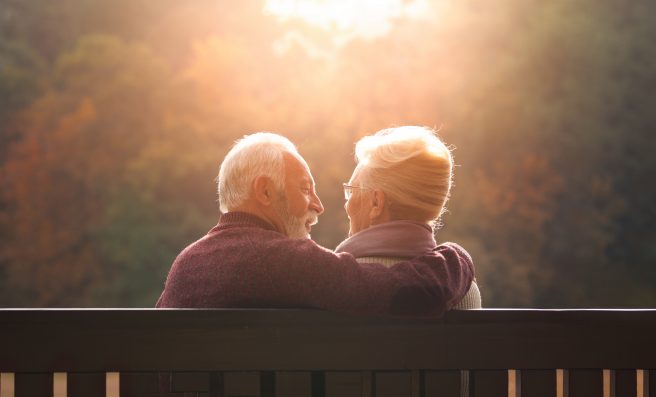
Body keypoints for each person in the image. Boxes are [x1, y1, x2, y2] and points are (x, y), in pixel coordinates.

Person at [156, 132, 475, 317]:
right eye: (306, 189)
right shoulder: (281, 261)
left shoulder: (186, 263)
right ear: (265, 191)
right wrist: (456, 258)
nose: (319, 205)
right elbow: (408, 292)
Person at [336, 126, 481, 309]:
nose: (347, 204)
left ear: (376, 203)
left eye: (352, 191)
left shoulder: (339, 284)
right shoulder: (465, 289)